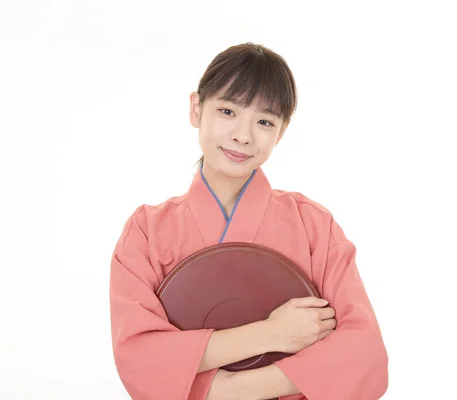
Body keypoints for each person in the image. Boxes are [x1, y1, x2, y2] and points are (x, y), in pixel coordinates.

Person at [109, 42, 388, 400]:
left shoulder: (313, 225)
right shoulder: (146, 232)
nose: (243, 135)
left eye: (264, 121)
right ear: (196, 109)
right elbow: (138, 355)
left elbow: (365, 354)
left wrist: (230, 388)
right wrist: (271, 334)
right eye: (227, 111)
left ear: (281, 132)